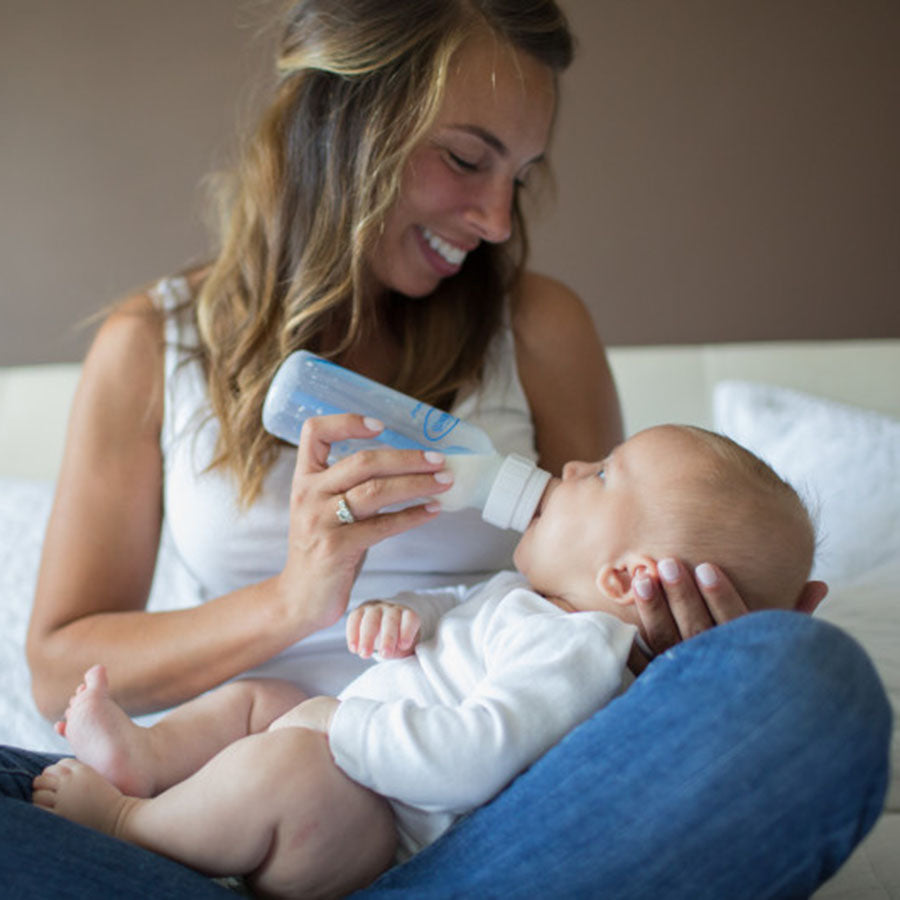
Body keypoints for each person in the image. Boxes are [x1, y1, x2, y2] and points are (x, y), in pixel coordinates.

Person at [0, 0, 889, 897]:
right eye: (466, 159)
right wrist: (293, 601)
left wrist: (684, 669)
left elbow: (614, 572)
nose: (498, 220)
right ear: (336, 119)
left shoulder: (539, 328)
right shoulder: (154, 343)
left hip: (478, 838)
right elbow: (58, 671)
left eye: (520, 175)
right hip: (216, 811)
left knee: (812, 684)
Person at [28, 426, 851, 898]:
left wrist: (333, 721)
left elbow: (472, 758)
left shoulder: (574, 653)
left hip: (376, 831)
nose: (566, 467)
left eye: (601, 475)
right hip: (350, 751)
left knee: (288, 765)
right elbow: (452, 613)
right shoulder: (527, 601)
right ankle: (146, 759)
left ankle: (128, 826)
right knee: (258, 699)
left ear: (626, 578)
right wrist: (402, 616)